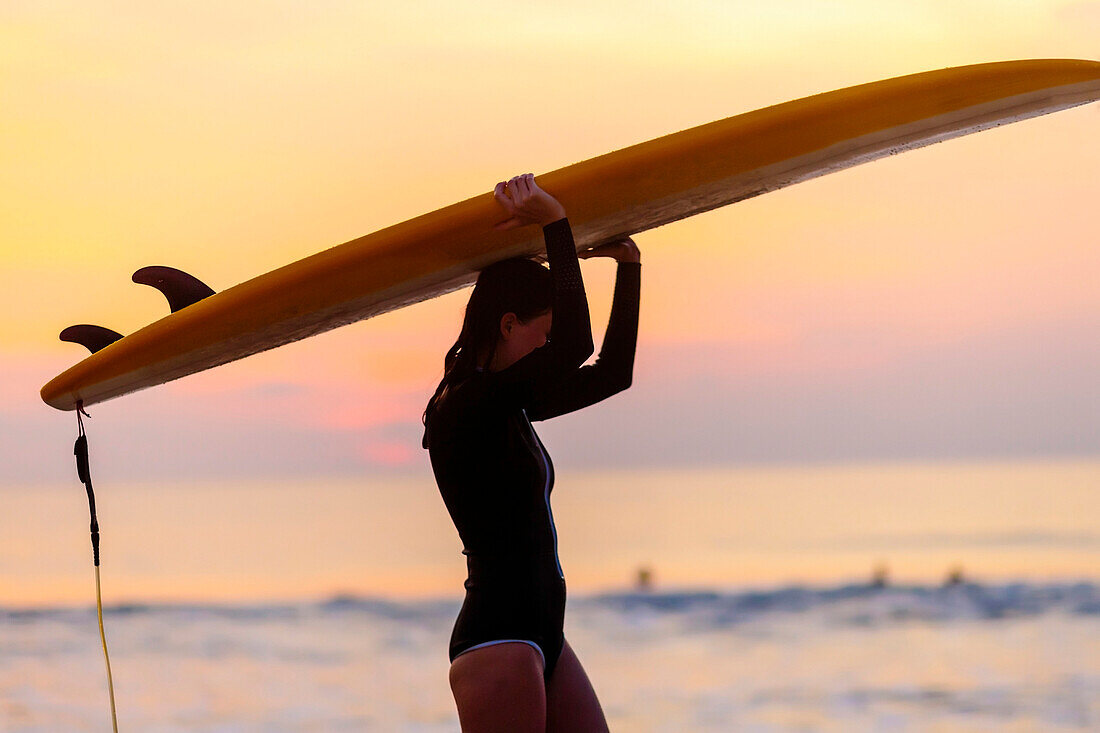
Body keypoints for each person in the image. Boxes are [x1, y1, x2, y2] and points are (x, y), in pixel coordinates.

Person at [422, 173, 641, 731]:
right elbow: (576, 345)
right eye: (540, 338)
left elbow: (611, 372)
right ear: (508, 323)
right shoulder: (465, 408)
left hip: (545, 633)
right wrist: (555, 226)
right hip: (499, 638)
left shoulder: (511, 405)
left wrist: (628, 266)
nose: (550, 352)